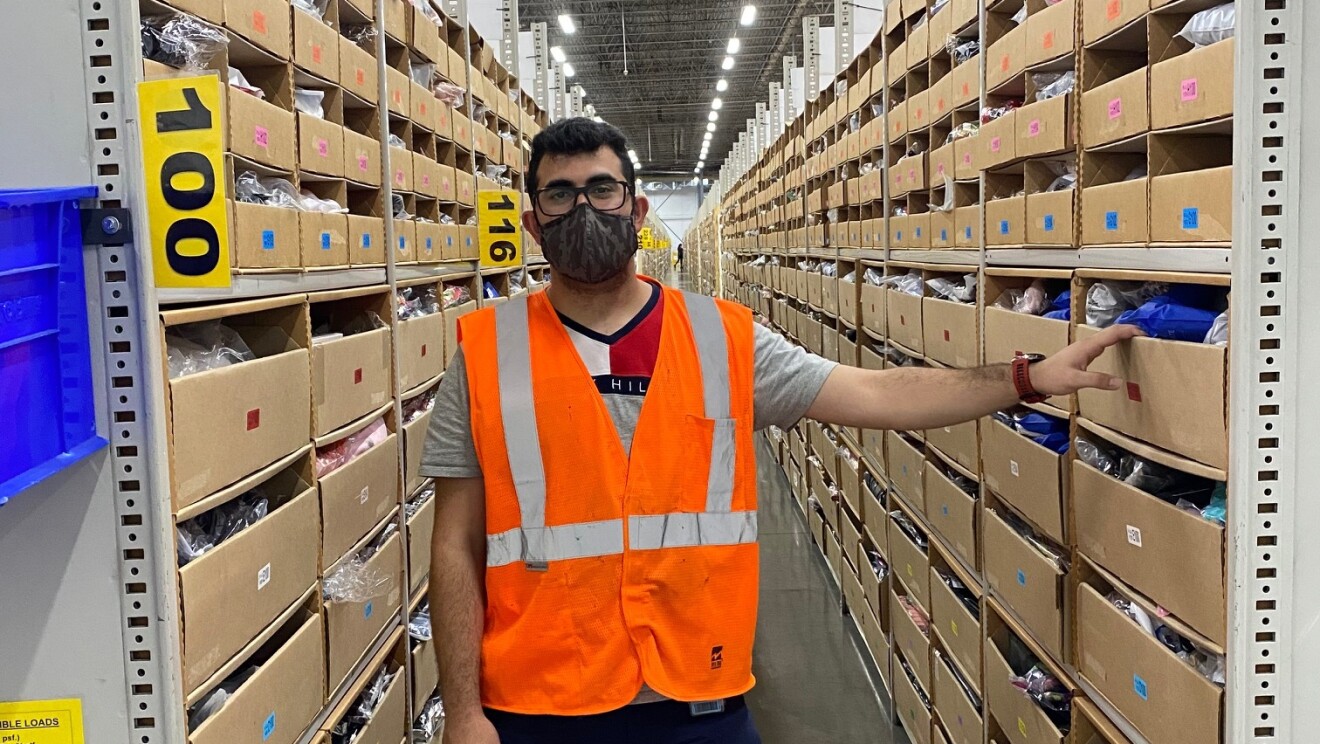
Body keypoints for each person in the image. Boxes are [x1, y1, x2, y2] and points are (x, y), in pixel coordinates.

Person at [421, 118, 1140, 744]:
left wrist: (1024, 378)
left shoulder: (721, 340)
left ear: (636, 209)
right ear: (531, 222)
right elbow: (454, 544)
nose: (583, 208)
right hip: (538, 705)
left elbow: (877, 392)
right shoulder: (487, 352)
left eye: (601, 190)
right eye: (559, 195)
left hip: (697, 700)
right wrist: (462, 713)